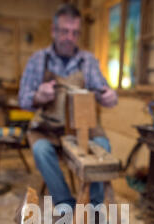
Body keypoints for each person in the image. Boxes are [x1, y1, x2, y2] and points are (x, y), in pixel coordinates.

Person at [19, 3, 118, 212]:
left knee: (102, 144)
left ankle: (94, 205)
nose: (69, 38)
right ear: (54, 31)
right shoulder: (38, 60)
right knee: (40, 149)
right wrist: (38, 96)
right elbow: (23, 100)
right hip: (49, 127)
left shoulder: (88, 61)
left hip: (82, 128)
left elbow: (104, 91)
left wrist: (109, 96)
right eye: (64, 31)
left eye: (75, 33)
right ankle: (66, 203)